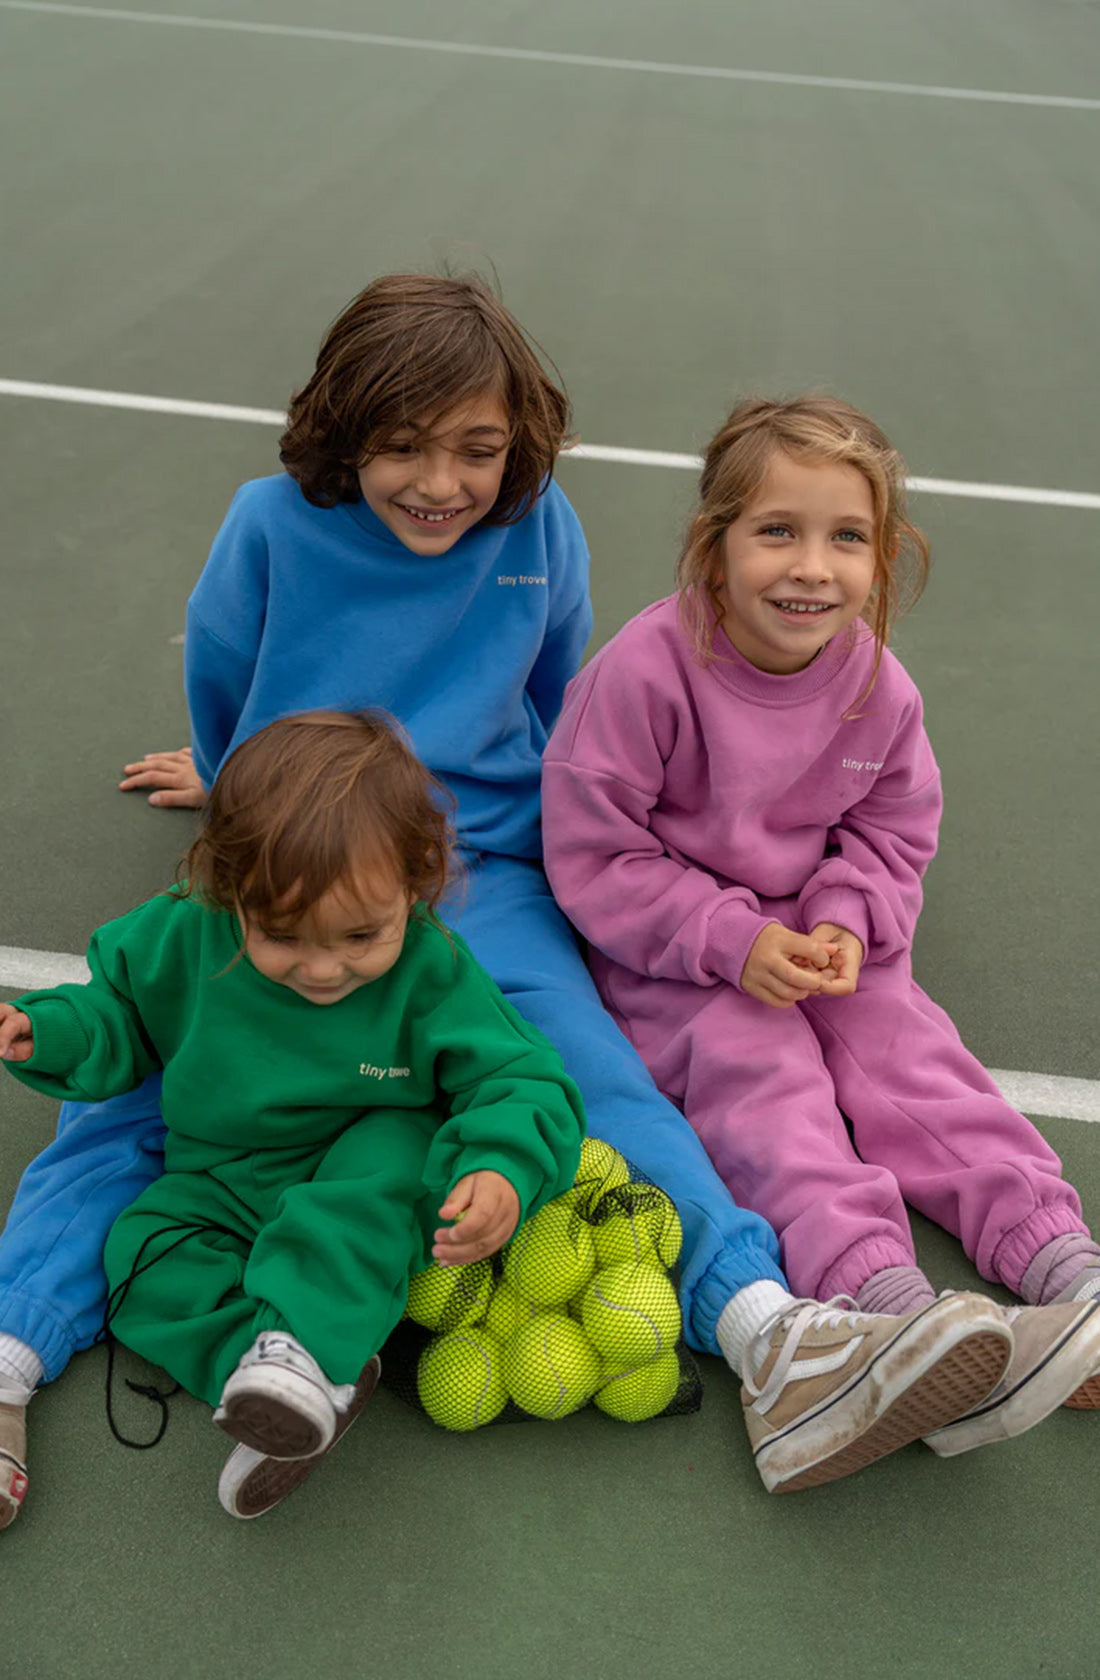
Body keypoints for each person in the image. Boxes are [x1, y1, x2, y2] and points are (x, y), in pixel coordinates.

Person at [0, 280, 1011, 1526]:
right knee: (130, 1098)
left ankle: (766, 1334)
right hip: (293, 859)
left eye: (477, 450)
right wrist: (239, 793)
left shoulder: (541, 529)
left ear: (518, 446)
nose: (442, 483)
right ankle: (12, 1355)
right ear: (344, 429)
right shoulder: (267, 524)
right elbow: (223, 674)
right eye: (404, 447)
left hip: (479, 865)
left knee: (587, 1073)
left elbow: (547, 686)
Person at [540, 393, 1100, 1464]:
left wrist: (847, 917)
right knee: (767, 1094)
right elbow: (591, 854)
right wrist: (727, 939)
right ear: (712, 547)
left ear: (883, 557)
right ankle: (885, 1308)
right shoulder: (644, 672)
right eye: (775, 532)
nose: (810, 568)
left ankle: (1062, 1267)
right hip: (683, 957)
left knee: (918, 1069)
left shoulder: (878, 688)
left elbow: (893, 829)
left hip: (825, 938)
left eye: (845, 538)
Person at [1, 710, 586, 1520]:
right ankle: (292, 1376)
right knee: (139, 1261)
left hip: (363, 1158)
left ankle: (307, 1347)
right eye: (281, 936)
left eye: (359, 935)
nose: (322, 967)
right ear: (222, 883)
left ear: (417, 883)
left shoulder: (432, 973)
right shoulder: (180, 933)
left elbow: (524, 1081)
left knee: (367, 1185)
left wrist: (501, 1168)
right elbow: (118, 1014)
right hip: (222, 1175)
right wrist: (51, 1031)